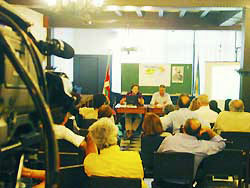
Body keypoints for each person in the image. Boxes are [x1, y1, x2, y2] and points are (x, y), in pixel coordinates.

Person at [157, 118, 225, 187]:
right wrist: (210, 131)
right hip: (186, 183)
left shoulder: (169, 140)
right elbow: (221, 144)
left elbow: (158, 155)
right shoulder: (202, 146)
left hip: (164, 182)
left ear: (183, 128)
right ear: (199, 133)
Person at [84, 118, 147, 188]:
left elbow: (90, 150)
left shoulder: (90, 162)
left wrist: (90, 140)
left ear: (94, 140)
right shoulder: (134, 157)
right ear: (116, 135)